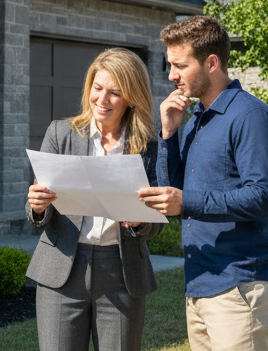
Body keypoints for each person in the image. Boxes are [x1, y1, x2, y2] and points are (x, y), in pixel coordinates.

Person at [138, 16, 268, 351]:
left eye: (180, 65)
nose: (171, 74)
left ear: (211, 62)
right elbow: (174, 190)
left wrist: (186, 202)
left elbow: (263, 198)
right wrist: (169, 135)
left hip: (239, 283)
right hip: (200, 282)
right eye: (170, 64)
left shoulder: (250, 116)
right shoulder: (195, 121)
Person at [25, 48, 164, 351]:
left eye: (114, 92)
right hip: (61, 270)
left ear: (132, 97)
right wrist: (37, 206)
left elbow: (157, 223)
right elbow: (36, 211)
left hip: (121, 273)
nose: (102, 100)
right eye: (97, 88)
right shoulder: (61, 133)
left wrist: (141, 222)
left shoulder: (149, 147)